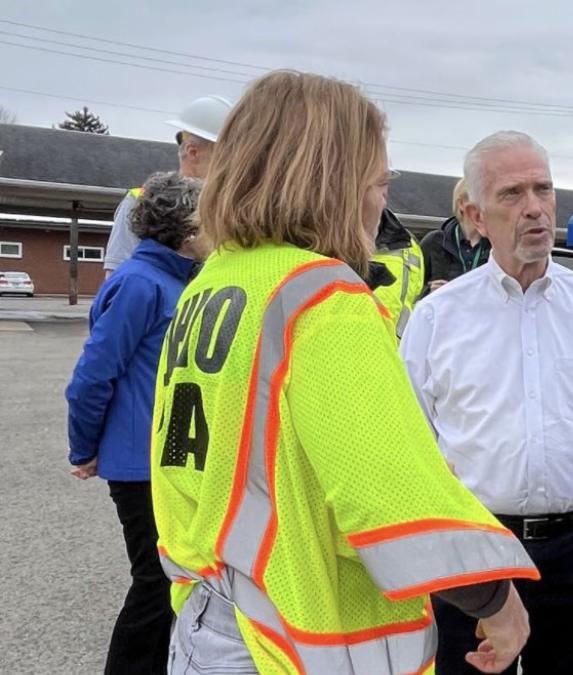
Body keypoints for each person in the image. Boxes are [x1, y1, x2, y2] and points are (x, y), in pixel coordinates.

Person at [150, 71, 538, 675]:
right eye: (378, 182)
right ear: (331, 183)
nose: (382, 201)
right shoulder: (321, 297)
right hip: (290, 635)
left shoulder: (215, 283)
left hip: (211, 616)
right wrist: (497, 599)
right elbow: (387, 497)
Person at [402, 130, 573, 675]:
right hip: (474, 560)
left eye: (543, 189)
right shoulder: (437, 319)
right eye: (512, 194)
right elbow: (414, 450)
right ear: (475, 214)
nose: (535, 208)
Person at [66, 171, 206, 674]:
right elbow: (92, 375)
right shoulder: (140, 283)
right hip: (139, 464)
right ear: (188, 229)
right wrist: (83, 448)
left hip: (163, 458)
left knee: (168, 578)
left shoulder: (173, 280)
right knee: (155, 581)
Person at [103, 95, 232, 275]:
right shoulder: (141, 201)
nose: (232, 163)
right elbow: (117, 276)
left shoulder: (226, 206)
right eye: (225, 154)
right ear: (193, 152)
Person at [419, 177, 490, 294]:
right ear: (462, 203)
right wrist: (430, 292)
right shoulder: (434, 242)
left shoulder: (498, 246)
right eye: (481, 198)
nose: (488, 205)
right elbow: (410, 291)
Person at [372, 207, 426, 338]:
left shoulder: (408, 246)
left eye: (382, 186)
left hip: (394, 353)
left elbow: (413, 299)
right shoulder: (324, 241)